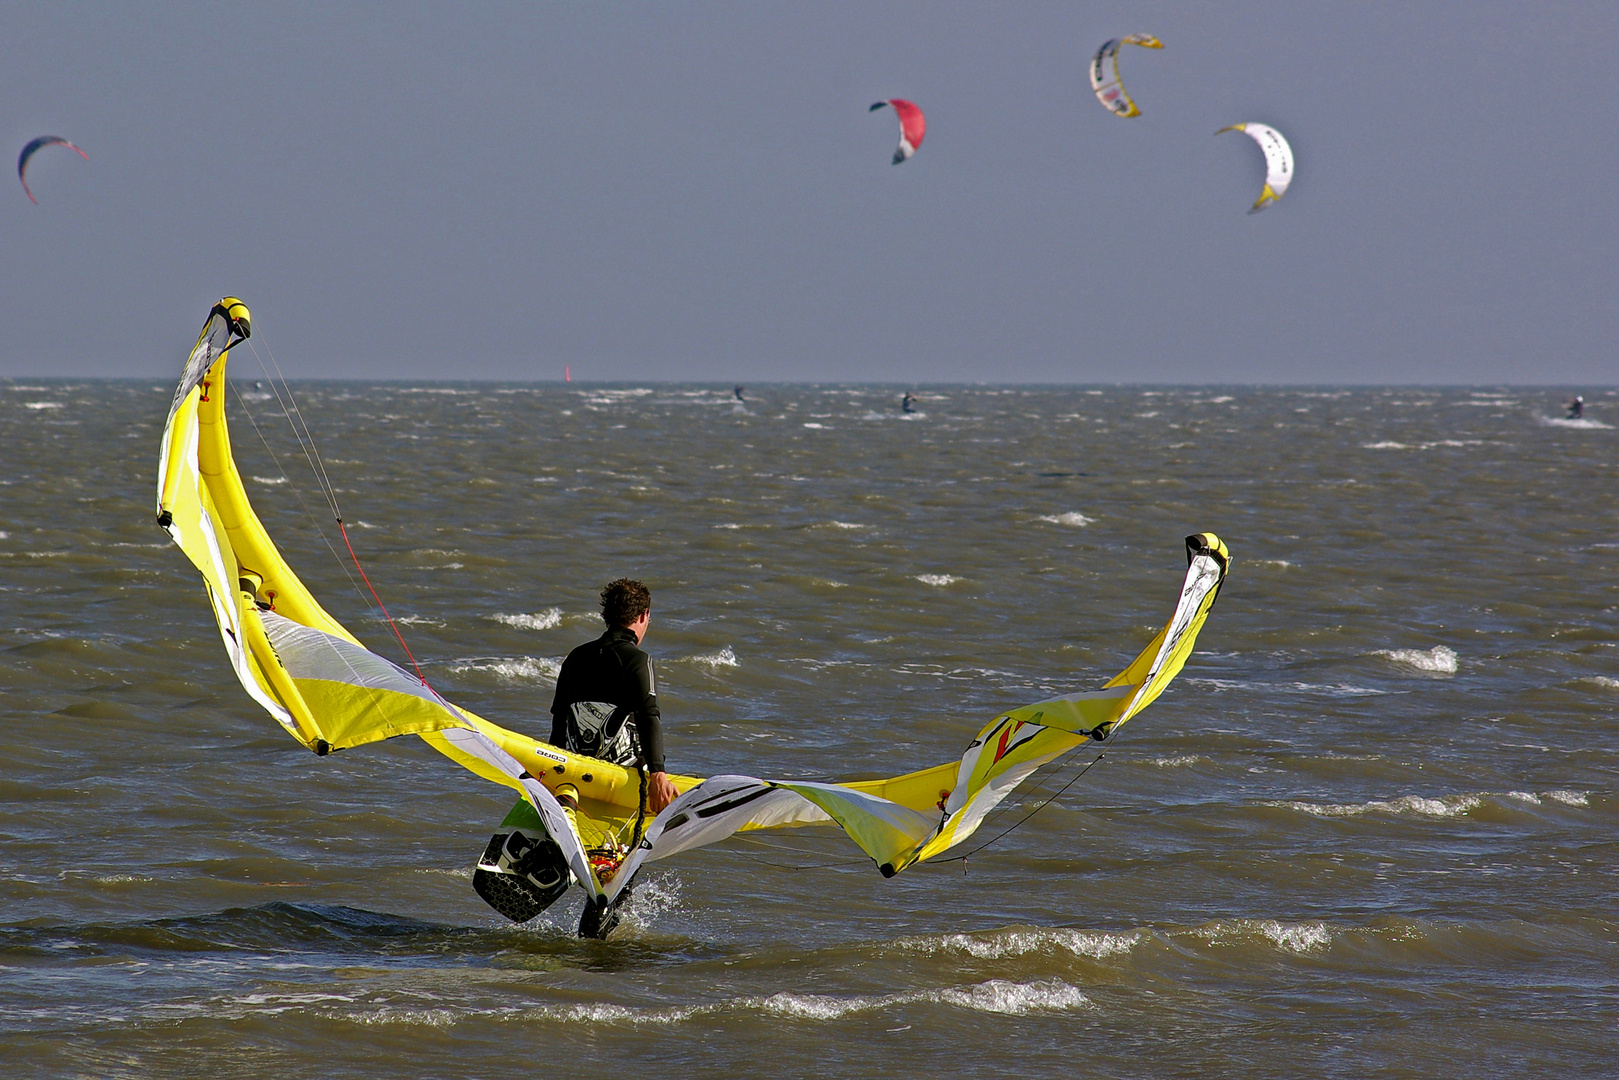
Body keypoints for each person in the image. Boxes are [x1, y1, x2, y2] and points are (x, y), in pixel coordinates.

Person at [549, 578, 677, 814]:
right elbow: (648, 716)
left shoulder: (575, 657)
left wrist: (552, 774)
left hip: (573, 771)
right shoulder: (639, 661)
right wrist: (658, 773)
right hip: (620, 776)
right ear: (643, 616)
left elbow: (559, 721)